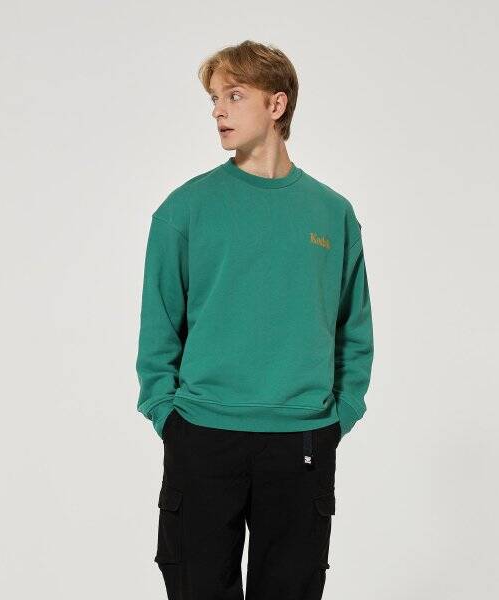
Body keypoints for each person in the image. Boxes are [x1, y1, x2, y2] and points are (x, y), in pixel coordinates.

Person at [135, 39, 374, 600]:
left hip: (301, 443)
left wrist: (339, 416)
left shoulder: (332, 214)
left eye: (234, 95)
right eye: (214, 99)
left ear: (277, 104)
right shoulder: (184, 209)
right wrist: (167, 416)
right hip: (203, 436)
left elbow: (354, 328)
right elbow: (159, 326)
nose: (218, 110)